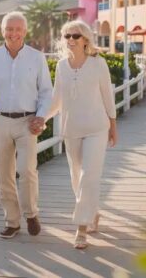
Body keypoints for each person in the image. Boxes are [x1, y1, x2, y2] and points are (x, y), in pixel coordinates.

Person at [0, 11, 52, 239]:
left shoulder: (36, 58)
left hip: (28, 122)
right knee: (3, 175)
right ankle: (12, 222)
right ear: (2, 31)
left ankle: (31, 213)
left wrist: (41, 116)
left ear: (25, 32)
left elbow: (46, 92)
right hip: (0, 121)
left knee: (26, 170)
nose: (13, 33)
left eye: (18, 29)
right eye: (9, 29)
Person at [45, 20, 118, 249]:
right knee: (77, 178)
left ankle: (81, 227)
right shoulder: (61, 67)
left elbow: (108, 96)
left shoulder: (98, 64)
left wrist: (113, 126)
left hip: (97, 128)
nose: (70, 40)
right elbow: (57, 100)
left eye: (75, 36)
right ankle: (92, 212)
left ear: (85, 39)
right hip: (72, 130)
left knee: (89, 176)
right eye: (66, 36)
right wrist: (41, 119)